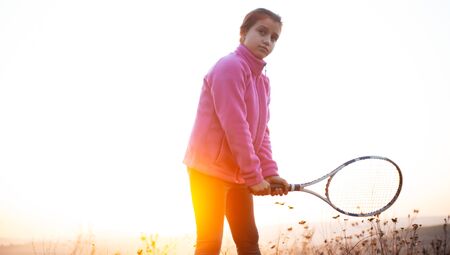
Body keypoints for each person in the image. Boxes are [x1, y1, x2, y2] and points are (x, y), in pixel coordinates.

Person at [183, 8, 289, 255]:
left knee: (249, 240)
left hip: (239, 173)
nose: (267, 41)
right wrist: (254, 176)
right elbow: (235, 127)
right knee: (210, 243)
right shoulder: (229, 67)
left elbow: (262, 132)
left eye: (274, 37)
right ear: (243, 33)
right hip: (208, 171)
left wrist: (269, 172)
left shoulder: (262, 81)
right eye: (262, 32)